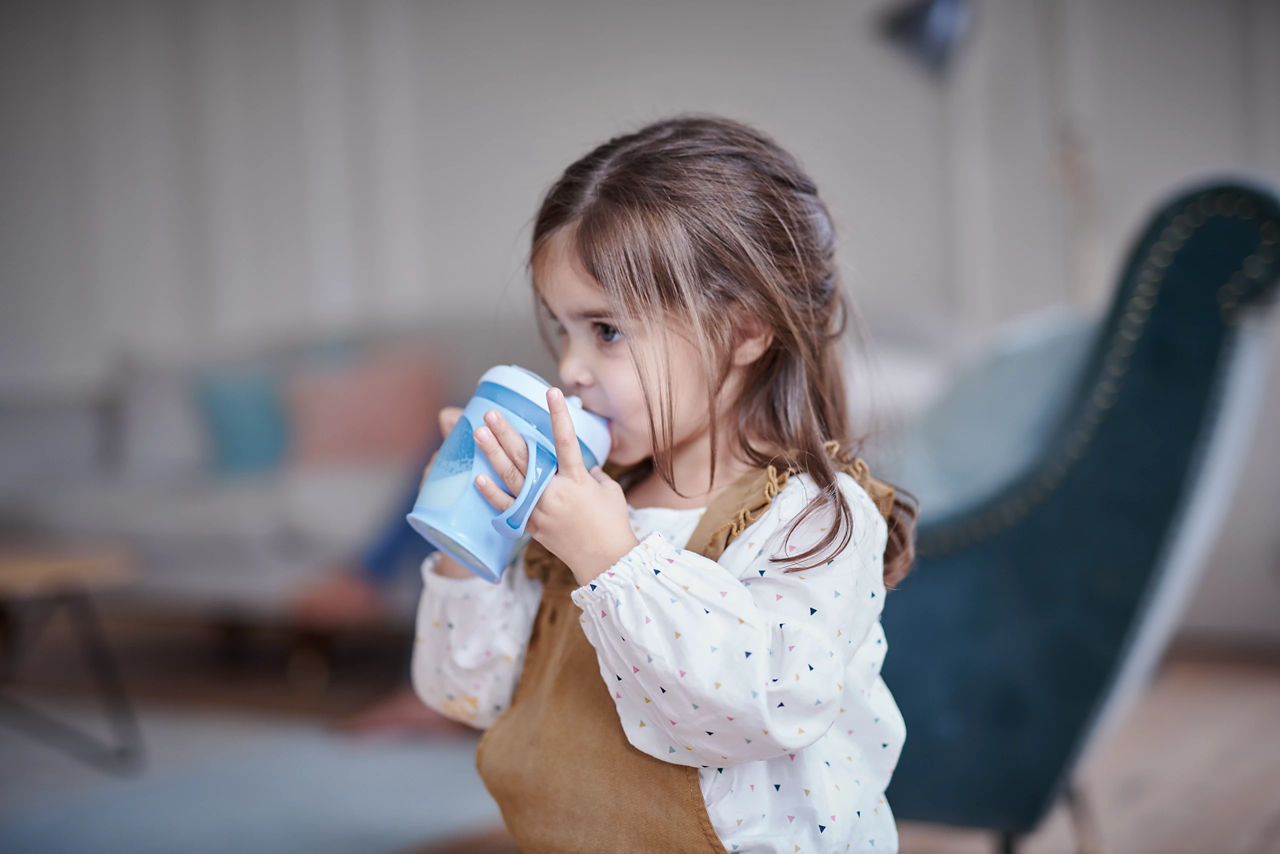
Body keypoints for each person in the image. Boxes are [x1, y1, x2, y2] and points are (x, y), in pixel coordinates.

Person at [411, 114, 918, 853]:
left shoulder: (813, 518)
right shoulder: (583, 500)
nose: (573, 367)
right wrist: (469, 539)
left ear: (745, 330)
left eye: (607, 331)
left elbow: (759, 711)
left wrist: (611, 560)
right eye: (564, 330)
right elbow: (468, 696)